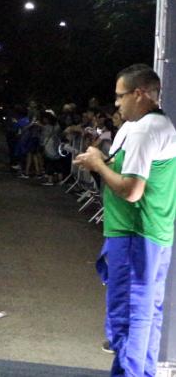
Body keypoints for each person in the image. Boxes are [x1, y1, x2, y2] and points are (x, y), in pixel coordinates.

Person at [74, 64, 176, 376]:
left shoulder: (145, 130)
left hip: (135, 235)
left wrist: (98, 165)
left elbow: (131, 191)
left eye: (121, 97)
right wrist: (100, 163)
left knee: (129, 319)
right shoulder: (153, 125)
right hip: (151, 235)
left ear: (139, 94)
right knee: (145, 318)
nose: (116, 104)